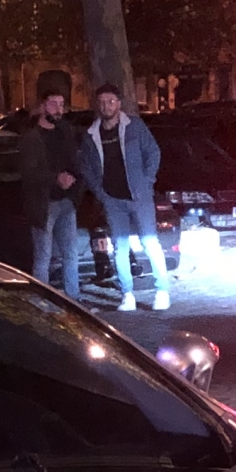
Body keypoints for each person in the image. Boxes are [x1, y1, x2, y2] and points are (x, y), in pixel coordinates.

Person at [74, 84, 168, 312]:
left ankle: (162, 291)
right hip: (112, 199)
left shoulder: (134, 126)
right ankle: (127, 294)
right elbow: (86, 167)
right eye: (102, 102)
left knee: (150, 242)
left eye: (111, 101)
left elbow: (153, 152)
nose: (106, 106)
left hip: (139, 196)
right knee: (120, 246)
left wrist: (147, 182)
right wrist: (100, 193)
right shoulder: (91, 135)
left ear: (119, 103)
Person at [16, 72, 82, 297]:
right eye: (53, 104)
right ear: (43, 106)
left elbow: (75, 160)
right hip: (45, 204)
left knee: (71, 254)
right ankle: (42, 301)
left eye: (61, 104)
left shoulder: (65, 133)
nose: (58, 109)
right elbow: (29, 172)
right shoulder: (32, 138)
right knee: (43, 256)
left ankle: (74, 300)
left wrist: (73, 181)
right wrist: (56, 178)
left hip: (66, 202)